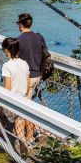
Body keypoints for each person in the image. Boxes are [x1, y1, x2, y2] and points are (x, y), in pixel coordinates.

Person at [17, 13, 48, 142]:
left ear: (20, 24)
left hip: (24, 77)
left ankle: (23, 140)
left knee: (20, 110)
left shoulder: (18, 40)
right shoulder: (39, 37)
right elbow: (45, 53)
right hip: (37, 76)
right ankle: (30, 137)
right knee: (28, 105)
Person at [1, 37, 30, 154]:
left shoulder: (7, 66)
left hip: (11, 102)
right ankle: (22, 142)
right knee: (19, 121)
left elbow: (7, 88)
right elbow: (27, 86)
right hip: (22, 100)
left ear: (6, 50)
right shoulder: (25, 64)